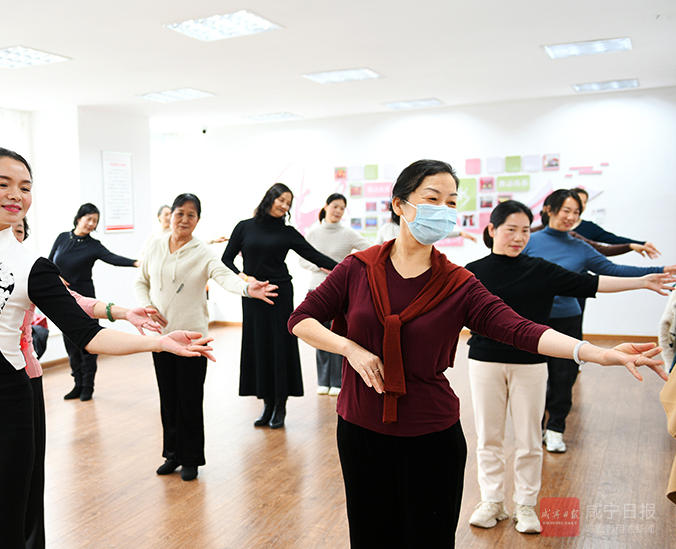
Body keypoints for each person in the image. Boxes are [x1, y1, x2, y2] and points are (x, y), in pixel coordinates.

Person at [287, 159, 668, 548]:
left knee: (428, 538)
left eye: (452, 202)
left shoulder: (458, 283)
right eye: (433, 198)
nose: (444, 209)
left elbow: (520, 329)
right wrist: (350, 349)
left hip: (430, 434)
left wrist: (596, 353)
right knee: (370, 535)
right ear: (399, 205)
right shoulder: (358, 268)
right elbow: (301, 319)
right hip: (361, 430)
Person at [0, 148, 214, 549]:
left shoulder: (32, 266)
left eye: (25, 187)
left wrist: (157, 343)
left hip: (5, 416)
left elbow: (87, 333)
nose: (15, 195)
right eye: (2, 184)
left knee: (3, 536)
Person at [465, 200, 673, 534]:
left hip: (531, 363)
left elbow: (592, 283)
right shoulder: (473, 272)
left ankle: (526, 505)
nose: (518, 237)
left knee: (530, 439)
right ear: (492, 231)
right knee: (488, 438)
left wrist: (642, 281)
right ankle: (491, 501)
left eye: (523, 231)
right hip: (484, 361)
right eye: (510, 230)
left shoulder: (541, 269)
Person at [13, 218, 162, 549]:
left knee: (24, 481)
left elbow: (76, 302)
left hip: (23, 381)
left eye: (20, 231)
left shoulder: (33, 270)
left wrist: (124, 313)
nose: (12, 236)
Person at [134, 193, 277, 480]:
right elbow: (142, 281)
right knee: (168, 398)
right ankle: (172, 454)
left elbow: (224, 276)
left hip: (191, 339)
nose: (184, 219)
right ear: (170, 215)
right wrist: (147, 306)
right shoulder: (156, 245)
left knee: (188, 399)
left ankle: (191, 459)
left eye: (191, 215)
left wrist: (249, 289)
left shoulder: (203, 252)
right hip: (161, 337)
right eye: (180, 213)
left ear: (198, 220)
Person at [524, 189, 675, 453]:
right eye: (566, 211)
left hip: (567, 318)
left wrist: (657, 271)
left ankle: (556, 428)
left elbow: (612, 270)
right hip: (533, 319)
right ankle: (535, 429)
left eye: (576, 213)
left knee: (563, 377)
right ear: (548, 209)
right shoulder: (528, 241)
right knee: (534, 377)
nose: (571, 217)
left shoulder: (579, 246)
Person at [221, 183, 337, 429]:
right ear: (270, 198)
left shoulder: (288, 232)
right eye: (281, 199)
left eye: (288, 202)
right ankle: (267, 404)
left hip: (279, 295)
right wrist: (246, 280)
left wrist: (349, 268)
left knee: (279, 347)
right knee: (259, 346)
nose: (284, 205)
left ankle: (280, 406)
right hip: (253, 294)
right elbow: (226, 259)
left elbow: (315, 257)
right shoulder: (244, 227)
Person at [49, 202, 141, 401]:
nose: (91, 223)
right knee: (70, 344)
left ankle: (88, 386)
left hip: (86, 298)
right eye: (89, 219)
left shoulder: (94, 246)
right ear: (79, 218)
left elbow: (112, 258)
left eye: (95, 221)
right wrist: (56, 277)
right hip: (64, 299)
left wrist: (135, 262)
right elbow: (49, 262)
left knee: (89, 342)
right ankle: (77, 384)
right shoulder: (62, 238)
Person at [299, 193, 369, 396]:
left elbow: (369, 250)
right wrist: (321, 266)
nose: (338, 211)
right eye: (335, 206)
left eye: (342, 208)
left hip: (341, 292)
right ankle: (323, 381)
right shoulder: (313, 232)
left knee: (338, 336)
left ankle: (337, 382)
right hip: (316, 289)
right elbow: (302, 261)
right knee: (319, 336)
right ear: (326, 206)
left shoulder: (348, 233)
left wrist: (347, 268)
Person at [571, 187, 661, 259]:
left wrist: (642, 244)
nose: (582, 205)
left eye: (585, 202)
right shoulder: (559, 229)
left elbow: (612, 241)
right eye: (579, 200)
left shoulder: (589, 227)